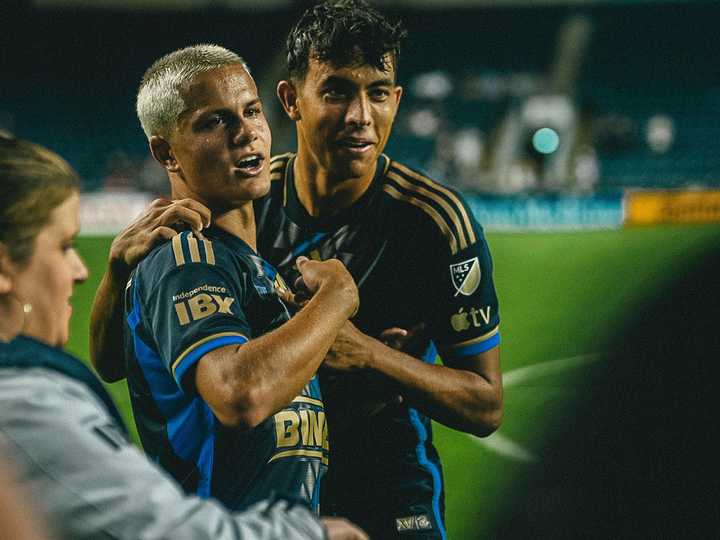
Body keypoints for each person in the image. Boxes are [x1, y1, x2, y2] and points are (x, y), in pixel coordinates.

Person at [91, 2, 503, 537]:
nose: (360, 115)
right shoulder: (244, 199)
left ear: (396, 101)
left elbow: (486, 404)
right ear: (292, 100)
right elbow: (118, 359)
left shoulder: (434, 224)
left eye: (378, 92)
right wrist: (118, 274)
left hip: (388, 480)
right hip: (266, 480)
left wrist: (373, 358)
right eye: (335, 91)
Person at [0, 132, 367, 539]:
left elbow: (110, 361)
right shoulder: (24, 405)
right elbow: (156, 528)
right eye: (64, 245)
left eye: (251, 110)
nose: (79, 270)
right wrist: (307, 534)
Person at [116, 45, 361, 513]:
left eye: (251, 111)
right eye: (214, 122)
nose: (246, 132)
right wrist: (338, 294)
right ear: (166, 153)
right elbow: (239, 394)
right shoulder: (186, 258)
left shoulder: (254, 268)